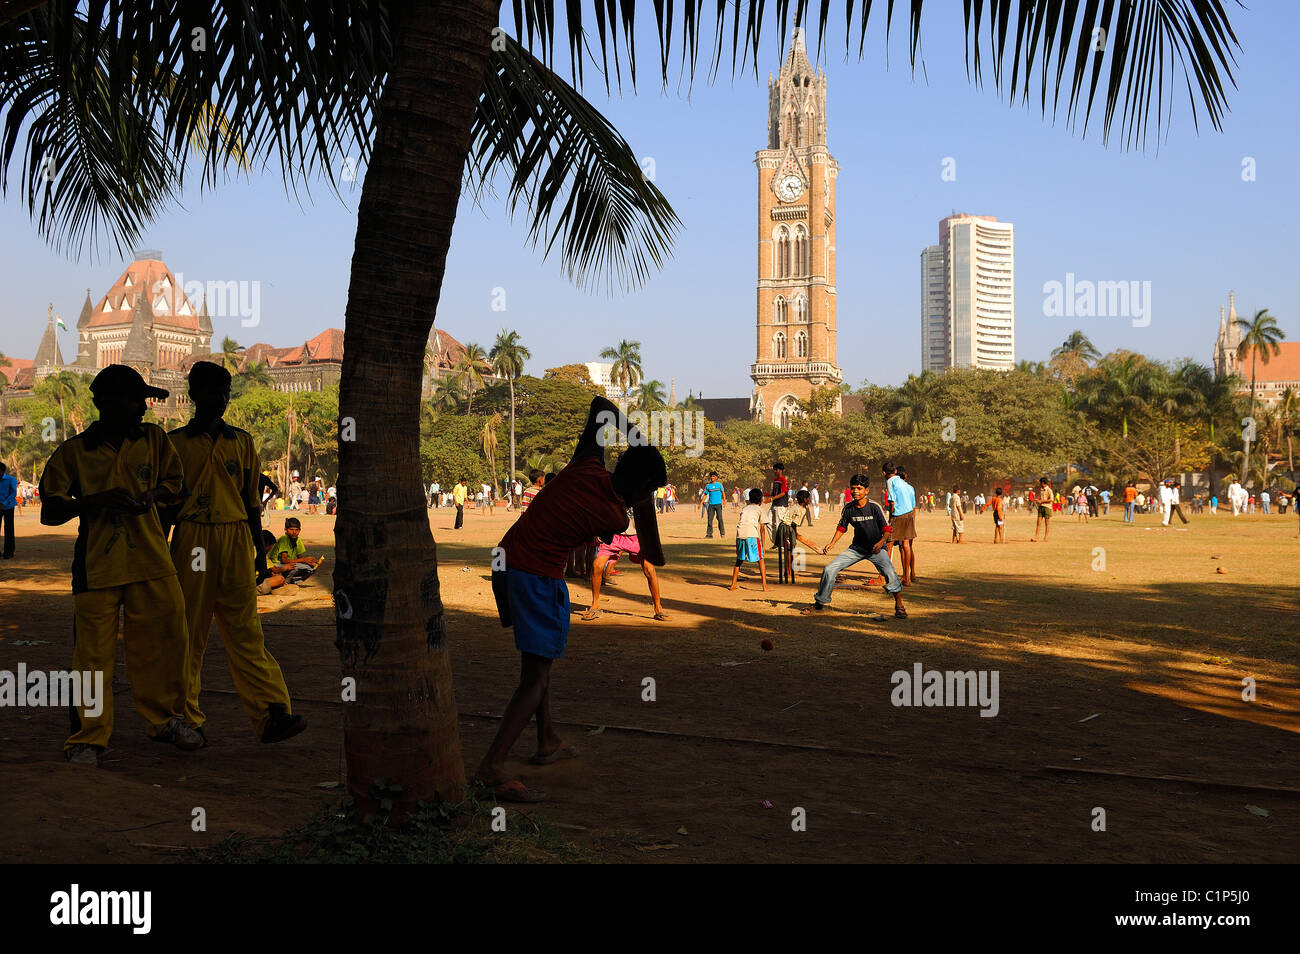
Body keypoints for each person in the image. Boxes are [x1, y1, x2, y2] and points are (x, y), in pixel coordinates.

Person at [476, 397, 666, 802]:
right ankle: (492, 766)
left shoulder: (586, 465)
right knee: (536, 675)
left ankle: (546, 739)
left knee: (537, 664)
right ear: (640, 490)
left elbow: (599, 405)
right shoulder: (616, 517)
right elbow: (635, 532)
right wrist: (640, 478)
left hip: (508, 561)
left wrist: (637, 439)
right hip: (535, 574)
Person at [38, 365, 202, 764]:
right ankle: (88, 738)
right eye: (135, 400)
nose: (143, 408)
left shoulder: (154, 439)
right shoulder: (74, 452)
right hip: (98, 567)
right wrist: (94, 501)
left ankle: (165, 720)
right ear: (106, 404)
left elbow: (175, 484)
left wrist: (152, 495)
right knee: (92, 658)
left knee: (166, 642)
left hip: (152, 560)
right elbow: (51, 510)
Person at [165, 361, 306, 745]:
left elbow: (251, 504)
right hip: (193, 538)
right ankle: (184, 717)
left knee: (246, 631)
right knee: (189, 632)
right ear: (194, 395)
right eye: (214, 391)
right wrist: (160, 552)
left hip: (237, 539)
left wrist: (260, 559)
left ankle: (272, 713)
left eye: (226, 391)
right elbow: (165, 505)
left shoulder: (241, 441)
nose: (222, 399)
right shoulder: (174, 444)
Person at [803, 474, 906, 619]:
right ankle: (820, 603)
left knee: (889, 573)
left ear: (866, 491)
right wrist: (832, 543)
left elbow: (887, 530)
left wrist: (880, 543)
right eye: (853, 488)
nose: (855, 491)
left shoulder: (874, 507)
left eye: (859, 488)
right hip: (856, 549)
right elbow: (841, 527)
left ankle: (899, 606)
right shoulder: (848, 508)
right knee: (829, 569)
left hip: (875, 550)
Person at [584, 507, 668, 621]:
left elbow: (649, 514)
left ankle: (658, 608)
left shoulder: (642, 491)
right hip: (614, 536)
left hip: (637, 536)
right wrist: (599, 531)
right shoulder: (613, 490)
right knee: (597, 566)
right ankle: (595, 605)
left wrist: (650, 539)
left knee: (649, 569)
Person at [774, 488, 819, 583]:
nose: (810, 500)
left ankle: (789, 572)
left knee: (789, 551)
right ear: (805, 499)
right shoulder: (801, 509)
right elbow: (794, 524)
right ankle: (788, 573)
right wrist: (796, 534)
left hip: (785, 527)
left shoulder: (797, 506)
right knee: (789, 552)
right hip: (787, 528)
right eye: (809, 498)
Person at [729, 488, 769, 591]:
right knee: (761, 559)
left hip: (740, 535)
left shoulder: (745, 509)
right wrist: (763, 546)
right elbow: (763, 528)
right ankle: (764, 586)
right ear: (760, 499)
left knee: (739, 560)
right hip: (752, 535)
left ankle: (733, 585)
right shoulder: (760, 510)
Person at [886, 465, 918, 585]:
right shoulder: (910, 487)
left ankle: (885, 575)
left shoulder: (892, 482)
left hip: (898, 516)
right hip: (909, 517)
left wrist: (891, 519)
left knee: (888, 544)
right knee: (907, 545)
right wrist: (912, 520)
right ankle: (909, 576)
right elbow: (913, 506)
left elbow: (892, 501)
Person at [271, 517, 324, 583]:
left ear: (300, 530)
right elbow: (284, 560)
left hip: (288, 564)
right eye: (291, 529)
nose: (294, 532)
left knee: (311, 569)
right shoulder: (284, 539)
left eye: (297, 530)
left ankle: (290, 581)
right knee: (295, 567)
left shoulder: (298, 540)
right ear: (285, 530)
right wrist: (304, 560)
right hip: (276, 564)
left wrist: (313, 563)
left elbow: (300, 558)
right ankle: (285, 582)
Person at [0, 462, 16, 559]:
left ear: (2, 471)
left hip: (8, 507)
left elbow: (13, 493)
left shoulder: (11, 480)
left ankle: (9, 552)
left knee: (9, 529)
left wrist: (4, 503)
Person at [703, 471, 726, 538]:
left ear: (716, 477)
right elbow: (705, 495)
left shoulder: (719, 485)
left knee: (720, 518)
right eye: (711, 476)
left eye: (713, 476)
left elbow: (723, 493)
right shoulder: (708, 486)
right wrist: (701, 503)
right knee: (710, 519)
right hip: (711, 505)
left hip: (718, 504)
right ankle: (709, 534)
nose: (712, 477)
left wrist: (724, 500)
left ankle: (722, 533)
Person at [1031, 477, 1053, 541]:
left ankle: (1045, 537)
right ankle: (1036, 537)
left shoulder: (1049, 490)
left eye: (1040, 483)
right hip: (1041, 507)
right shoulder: (1040, 490)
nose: (1039, 484)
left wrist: (1042, 501)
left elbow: (1051, 499)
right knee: (1038, 522)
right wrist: (1038, 500)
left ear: (1043, 483)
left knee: (1047, 523)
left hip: (1047, 508)